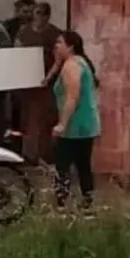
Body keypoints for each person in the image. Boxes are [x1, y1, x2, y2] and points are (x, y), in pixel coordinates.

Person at [51, 30, 102, 213]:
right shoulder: (77, 62)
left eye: (59, 43)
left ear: (70, 46)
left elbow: (72, 97)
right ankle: (87, 202)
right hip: (85, 124)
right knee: (82, 164)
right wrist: (55, 65)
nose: (56, 46)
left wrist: (62, 124)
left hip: (75, 124)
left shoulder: (71, 66)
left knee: (62, 164)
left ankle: (61, 205)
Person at [15, 1, 61, 163]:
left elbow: (58, 59)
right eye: (36, 13)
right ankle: (28, 155)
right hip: (27, 83)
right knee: (28, 118)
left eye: (42, 13)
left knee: (45, 118)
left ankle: (44, 155)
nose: (38, 17)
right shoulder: (24, 32)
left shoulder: (54, 34)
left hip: (46, 84)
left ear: (48, 16)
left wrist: (48, 78)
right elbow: (16, 51)